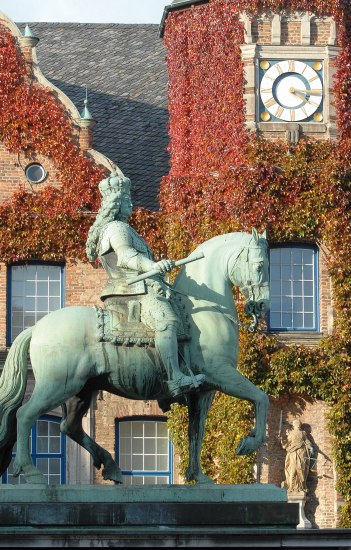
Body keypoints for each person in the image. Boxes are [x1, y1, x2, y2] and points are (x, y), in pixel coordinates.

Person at [86, 172, 205, 398]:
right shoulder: (117, 228)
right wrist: (155, 265)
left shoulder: (122, 228)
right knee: (166, 322)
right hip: (132, 291)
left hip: (137, 288)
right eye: (127, 200)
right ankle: (175, 378)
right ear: (116, 204)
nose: (131, 203)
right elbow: (126, 258)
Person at [280, 419, 313, 493]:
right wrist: (282, 440)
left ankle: (301, 487)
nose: (298, 425)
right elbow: (286, 444)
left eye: (299, 424)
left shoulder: (303, 433)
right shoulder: (291, 433)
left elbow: (307, 441)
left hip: (301, 452)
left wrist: (310, 447)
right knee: (292, 470)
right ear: (294, 425)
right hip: (292, 453)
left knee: (301, 469)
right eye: (296, 424)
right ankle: (291, 487)